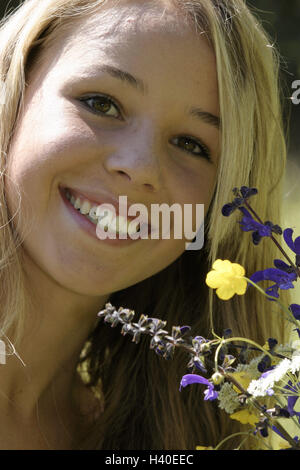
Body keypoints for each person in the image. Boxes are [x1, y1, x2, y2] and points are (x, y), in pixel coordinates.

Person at [0, 0, 290, 450]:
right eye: (102, 104)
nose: (140, 167)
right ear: (14, 90)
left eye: (191, 144)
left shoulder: (172, 440)